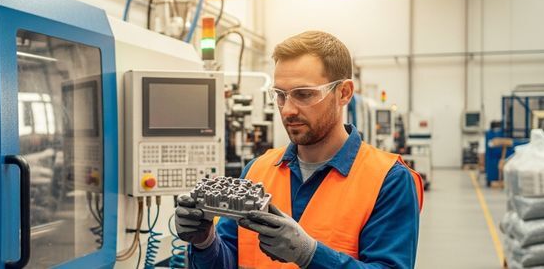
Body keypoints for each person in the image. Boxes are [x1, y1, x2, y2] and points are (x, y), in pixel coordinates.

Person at [175, 31, 424, 268]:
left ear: (344, 93)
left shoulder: (388, 180)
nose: (287, 110)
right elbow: (228, 261)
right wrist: (205, 242)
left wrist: (310, 255)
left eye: (304, 94)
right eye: (281, 95)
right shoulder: (258, 170)